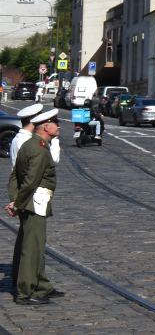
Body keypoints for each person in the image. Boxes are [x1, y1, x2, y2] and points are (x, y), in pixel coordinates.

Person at [6, 109, 64, 304]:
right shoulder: (39, 148)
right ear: (46, 127)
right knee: (33, 248)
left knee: (34, 245)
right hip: (35, 203)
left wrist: (15, 199)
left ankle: (41, 286)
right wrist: (18, 204)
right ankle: (26, 292)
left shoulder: (29, 144)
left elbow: (14, 176)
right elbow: (31, 180)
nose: (59, 126)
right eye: (56, 123)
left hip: (29, 202)